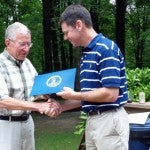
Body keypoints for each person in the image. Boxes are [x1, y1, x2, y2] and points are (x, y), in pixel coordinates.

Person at [56, 4, 129, 150]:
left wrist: (75, 95)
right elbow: (90, 96)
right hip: (93, 121)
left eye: (66, 32)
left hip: (109, 122)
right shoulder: (87, 53)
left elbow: (111, 94)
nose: (65, 38)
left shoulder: (106, 49)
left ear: (78, 25)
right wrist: (62, 107)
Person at [0, 22, 61, 150]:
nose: (26, 49)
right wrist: (37, 106)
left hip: (28, 123)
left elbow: (35, 92)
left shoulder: (27, 63)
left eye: (29, 44)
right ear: (8, 43)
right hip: (6, 125)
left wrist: (46, 96)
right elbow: (2, 101)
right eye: (22, 44)